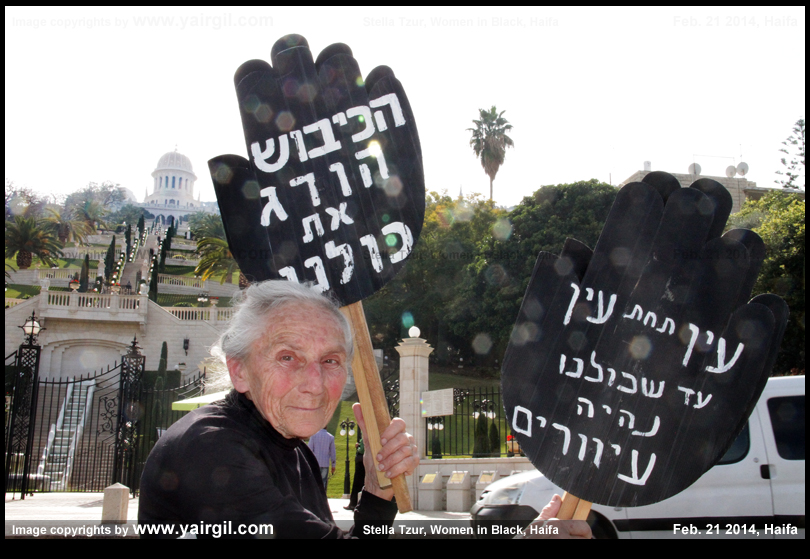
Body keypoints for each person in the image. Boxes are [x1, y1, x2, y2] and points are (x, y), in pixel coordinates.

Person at [138, 280, 419, 538]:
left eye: (330, 361)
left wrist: (376, 489)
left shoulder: (298, 454)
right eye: (287, 357)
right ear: (239, 371)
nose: (315, 385)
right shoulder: (210, 449)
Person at [344, 430, 365, 510]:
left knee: (357, 483)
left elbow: (362, 449)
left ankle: (353, 503)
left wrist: (358, 446)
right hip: (366, 460)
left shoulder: (366, 432)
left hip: (361, 460)